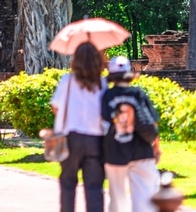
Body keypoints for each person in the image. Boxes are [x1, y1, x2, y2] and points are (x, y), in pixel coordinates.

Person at [50, 42, 106, 212]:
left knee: (68, 183)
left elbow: (55, 107)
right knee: (94, 186)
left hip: (70, 137)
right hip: (95, 139)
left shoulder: (67, 80)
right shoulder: (101, 83)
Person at [102, 56, 162, 212]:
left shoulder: (106, 96)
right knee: (145, 200)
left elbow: (101, 125)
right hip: (142, 151)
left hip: (115, 152)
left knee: (117, 199)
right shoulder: (138, 94)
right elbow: (152, 122)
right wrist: (157, 148)